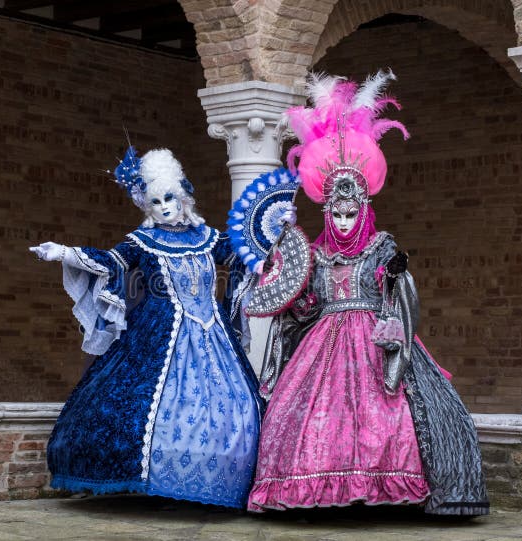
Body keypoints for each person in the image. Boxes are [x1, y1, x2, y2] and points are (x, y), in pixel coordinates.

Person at [246, 71, 489, 515]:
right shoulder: (314, 255)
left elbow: (398, 297)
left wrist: (396, 280)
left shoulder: (382, 247)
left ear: (363, 209)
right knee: (301, 416)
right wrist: (284, 283)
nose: (341, 222)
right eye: (335, 215)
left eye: (349, 213)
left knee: (393, 411)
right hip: (322, 343)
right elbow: (306, 306)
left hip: (376, 339)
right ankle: (315, 489)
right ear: (326, 212)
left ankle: (388, 488)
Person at [29, 146, 262, 509]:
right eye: (156, 202)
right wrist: (64, 252)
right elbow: (110, 261)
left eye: (169, 197)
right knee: (137, 402)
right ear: (147, 207)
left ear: (183, 196)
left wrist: (268, 242)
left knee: (236, 404)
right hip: (156, 332)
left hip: (213, 335)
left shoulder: (209, 238)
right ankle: (158, 479)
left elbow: (243, 256)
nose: (165, 206)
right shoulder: (142, 242)